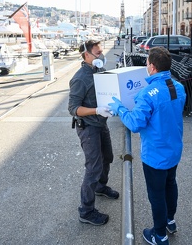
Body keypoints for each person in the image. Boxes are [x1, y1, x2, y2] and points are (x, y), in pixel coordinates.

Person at [109, 47, 186, 244]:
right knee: (171, 184)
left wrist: (120, 108)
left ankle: (159, 235)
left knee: (157, 194)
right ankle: (170, 220)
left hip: (155, 154)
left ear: (151, 67)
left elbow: (135, 123)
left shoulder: (146, 94)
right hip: (173, 149)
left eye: (147, 64)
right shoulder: (178, 86)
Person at [68, 40, 119, 226]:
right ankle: (86, 211)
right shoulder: (80, 78)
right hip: (88, 127)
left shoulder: (98, 71)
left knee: (108, 157)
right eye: (98, 52)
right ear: (87, 55)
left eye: (101, 51)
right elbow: (73, 108)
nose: (102, 55)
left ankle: (100, 186)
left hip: (101, 124)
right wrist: (96, 111)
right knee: (93, 167)